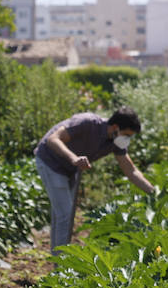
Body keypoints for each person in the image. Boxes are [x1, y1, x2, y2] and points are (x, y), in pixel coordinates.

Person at [33, 107, 157, 253]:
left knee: (63, 214)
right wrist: (74, 158)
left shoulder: (115, 142)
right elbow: (53, 139)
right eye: (127, 135)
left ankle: (57, 257)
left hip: (70, 169)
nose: (128, 140)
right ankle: (59, 265)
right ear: (115, 127)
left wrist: (153, 192)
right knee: (65, 214)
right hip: (50, 162)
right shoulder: (87, 123)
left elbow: (130, 170)